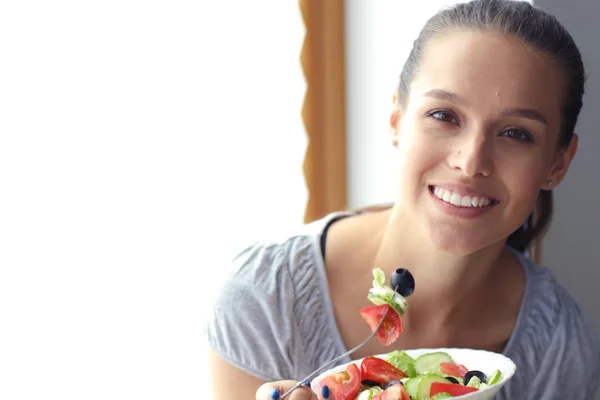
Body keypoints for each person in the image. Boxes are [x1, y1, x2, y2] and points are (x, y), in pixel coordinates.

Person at [204, 0, 600, 399]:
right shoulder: (265, 300)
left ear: (557, 163)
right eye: (445, 116)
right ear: (397, 120)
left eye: (516, 133)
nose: (470, 162)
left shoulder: (559, 346)